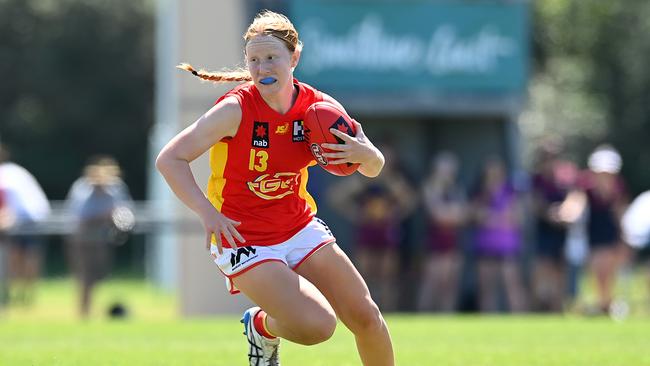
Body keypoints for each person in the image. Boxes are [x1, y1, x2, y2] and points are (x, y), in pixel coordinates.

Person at [156, 10, 394, 366]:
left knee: (366, 316)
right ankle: (262, 326)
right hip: (243, 236)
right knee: (319, 326)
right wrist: (208, 213)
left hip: (297, 225)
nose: (262, 67)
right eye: (254, 60)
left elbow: (373, 168)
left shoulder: (319, 109)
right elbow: (170, 158)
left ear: (294, 57)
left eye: (271, 58)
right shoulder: (235, 109)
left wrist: (367, 153)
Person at [327, 144, 416, 311]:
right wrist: (355, 213)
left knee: (388, 276)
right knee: (364, 274)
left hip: (387, 231)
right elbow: (336, 196)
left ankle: (388, 311)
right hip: (366, 231)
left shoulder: (393, 180)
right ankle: (365, 309)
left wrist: (395, 213)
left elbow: (410, 201)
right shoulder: (362, 178)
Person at [64, 155, 134, 318]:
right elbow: (79, 216)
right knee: (85, 277)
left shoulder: (115, 188)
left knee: (98, 275)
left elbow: (124, 213)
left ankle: (87, 311)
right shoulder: (83, 189)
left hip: (102, 240)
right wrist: (104, 216)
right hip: (82, 240)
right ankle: (83, 312)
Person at [470, 157, 527, 312]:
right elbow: (475, 215)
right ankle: (487, 322)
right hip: (485, 245)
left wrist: (491, 217)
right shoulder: (479, 192)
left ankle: (520, 321)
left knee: (513, 285)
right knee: (486, 288)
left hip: (507, 245)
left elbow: (516, 218)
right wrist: (496, 218)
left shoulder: (511, 191)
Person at [416, 151, 467, 312]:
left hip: (453, 240)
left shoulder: (456, 189)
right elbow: (436, 214)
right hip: (434, 241)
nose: (448, 174)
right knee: (432, 281)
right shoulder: (429, 187)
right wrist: (451, 214)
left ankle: (447, 316)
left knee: (450, 283)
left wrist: (450, 214)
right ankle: (423, 316)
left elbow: (464, 214)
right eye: (444, 170)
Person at [0, 145, 51, 306]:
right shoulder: (16, 171)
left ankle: (23, 297)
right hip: (27, 219)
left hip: (24, 220)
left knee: (23, 259)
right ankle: (22, 297)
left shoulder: (7, 173)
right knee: (21, 258)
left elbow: (9, 204)